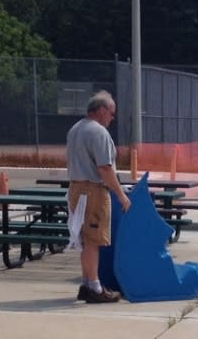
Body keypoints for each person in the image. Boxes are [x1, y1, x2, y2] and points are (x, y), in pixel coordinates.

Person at [66, 90, 131, 303]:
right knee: (94, 240)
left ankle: (87, 283)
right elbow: (105, 168)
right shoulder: (99, 133)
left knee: (84, 239)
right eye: (111, 113)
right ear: (102, 110)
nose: (112, 118)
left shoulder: (75, 129)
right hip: (93, 190)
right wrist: (121, 194)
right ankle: (95, 287)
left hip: (76, 188)